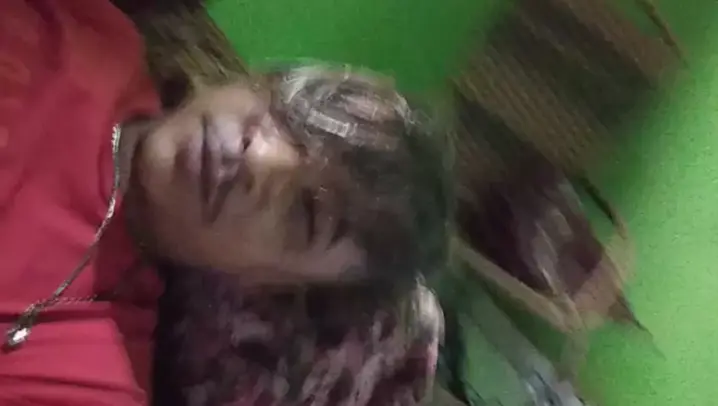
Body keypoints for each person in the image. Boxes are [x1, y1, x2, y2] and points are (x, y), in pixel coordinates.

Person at [0, 1, 450, 405]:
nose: (257, 159)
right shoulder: (89, 30)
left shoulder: (87, 377)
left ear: (267, 283)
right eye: (290, 114)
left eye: (305, 213)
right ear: (254, 81)